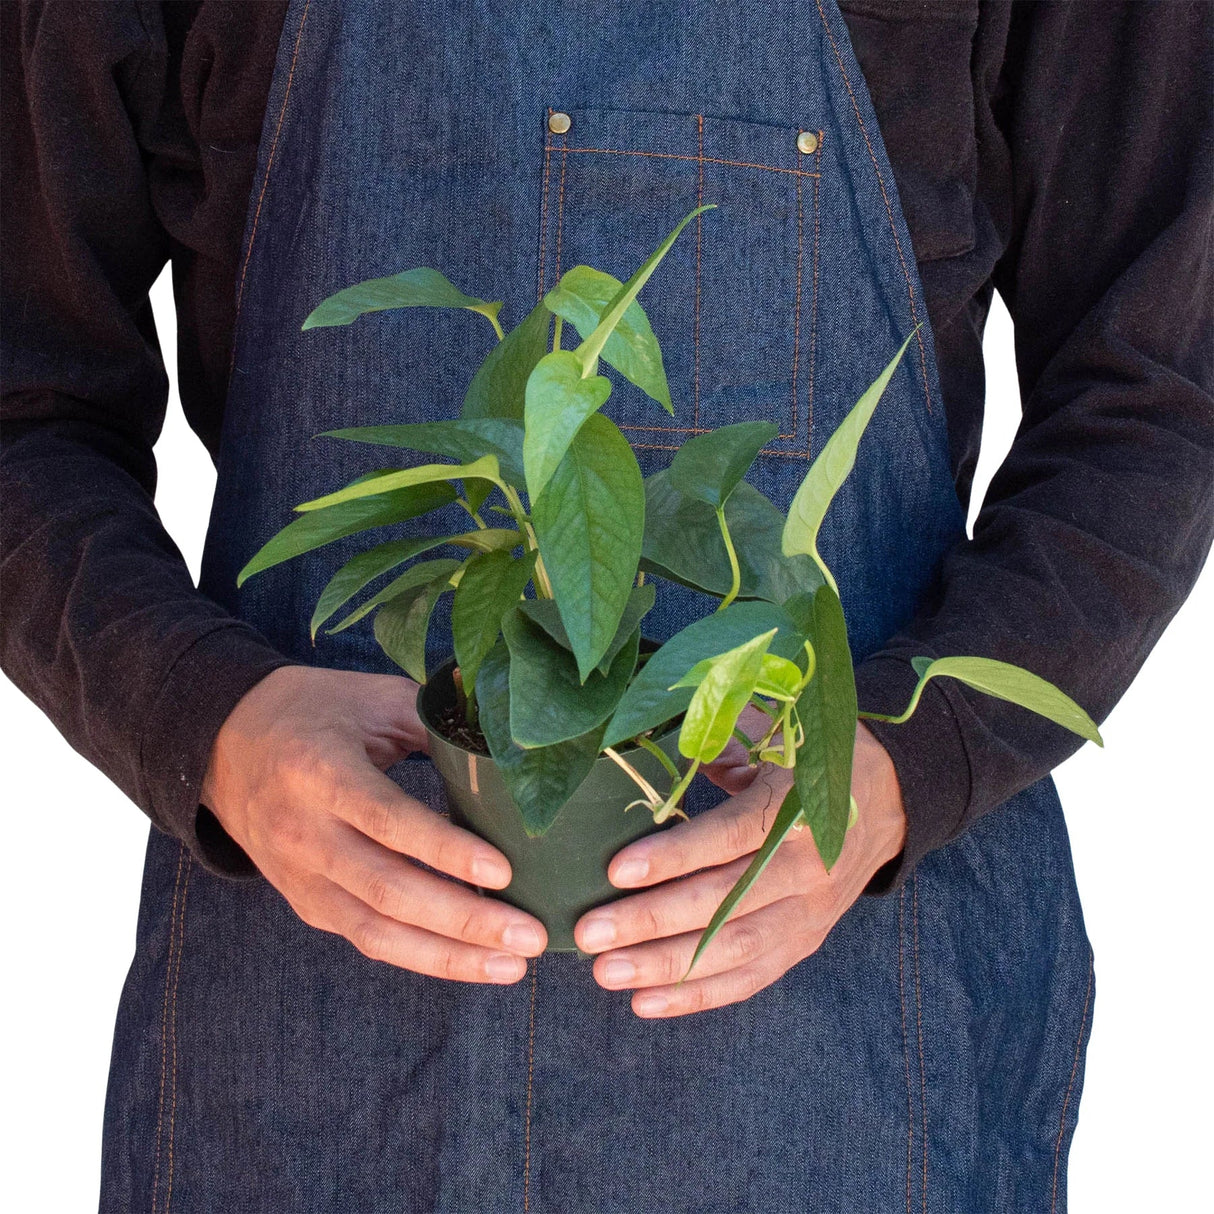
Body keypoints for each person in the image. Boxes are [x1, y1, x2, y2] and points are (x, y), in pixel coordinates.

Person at [2, 1, 1210, 1209]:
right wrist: (204, 719)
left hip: (845, 1054)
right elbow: (24, 404)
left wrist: (902, 761)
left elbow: (1160, 387)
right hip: (305, 1041)